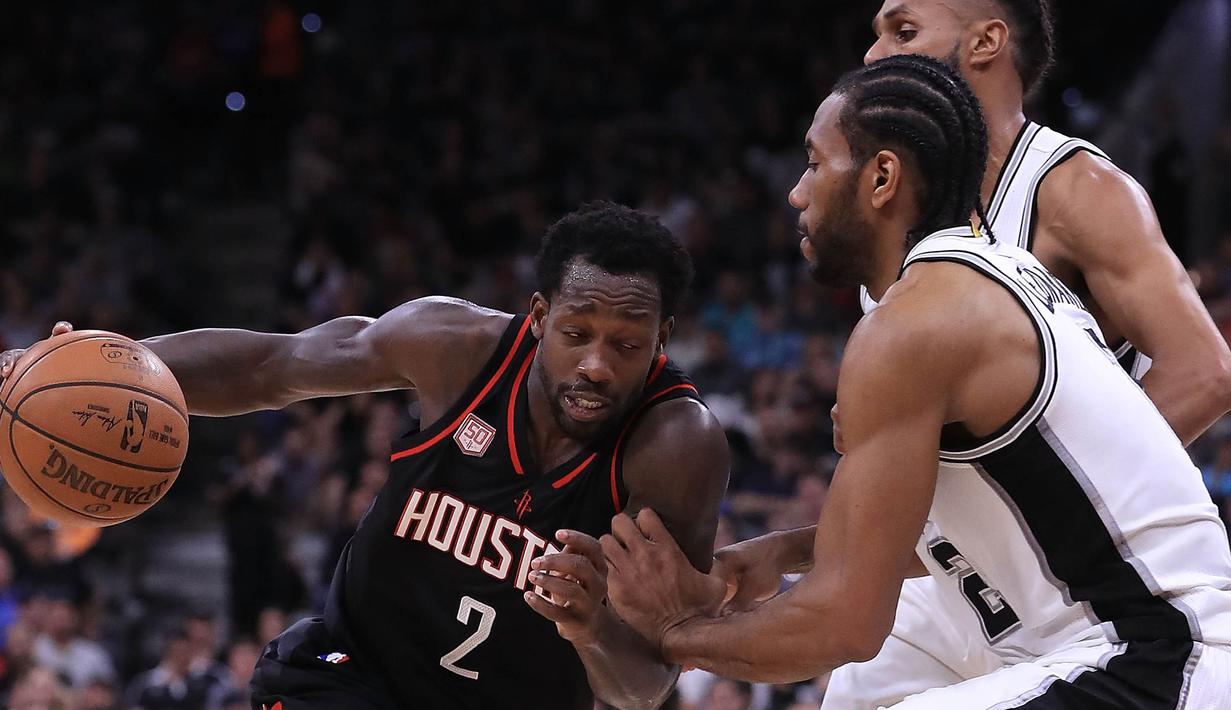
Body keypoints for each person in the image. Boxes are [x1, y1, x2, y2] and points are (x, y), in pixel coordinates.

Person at [601, 55, 1231, 708]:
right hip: (1143, 637)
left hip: (1158, 654)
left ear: (880, 178)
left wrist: (674, 631)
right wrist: (775, 555)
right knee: (854, 697)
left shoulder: (916, 325)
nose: (796, 192)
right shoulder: (994, 272)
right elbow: (929, 539)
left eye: (815, 163)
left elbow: (842, 623)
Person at [0, 202, 729, 709]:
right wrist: (102, 366)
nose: (598, 365)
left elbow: (642, 687)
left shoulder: (675, 449)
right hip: (351, 677)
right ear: (537, 318)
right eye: (577, 334)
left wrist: (593, 626)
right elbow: (270, 367)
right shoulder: (451, 348)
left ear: (662, 339)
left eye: (627, 344)